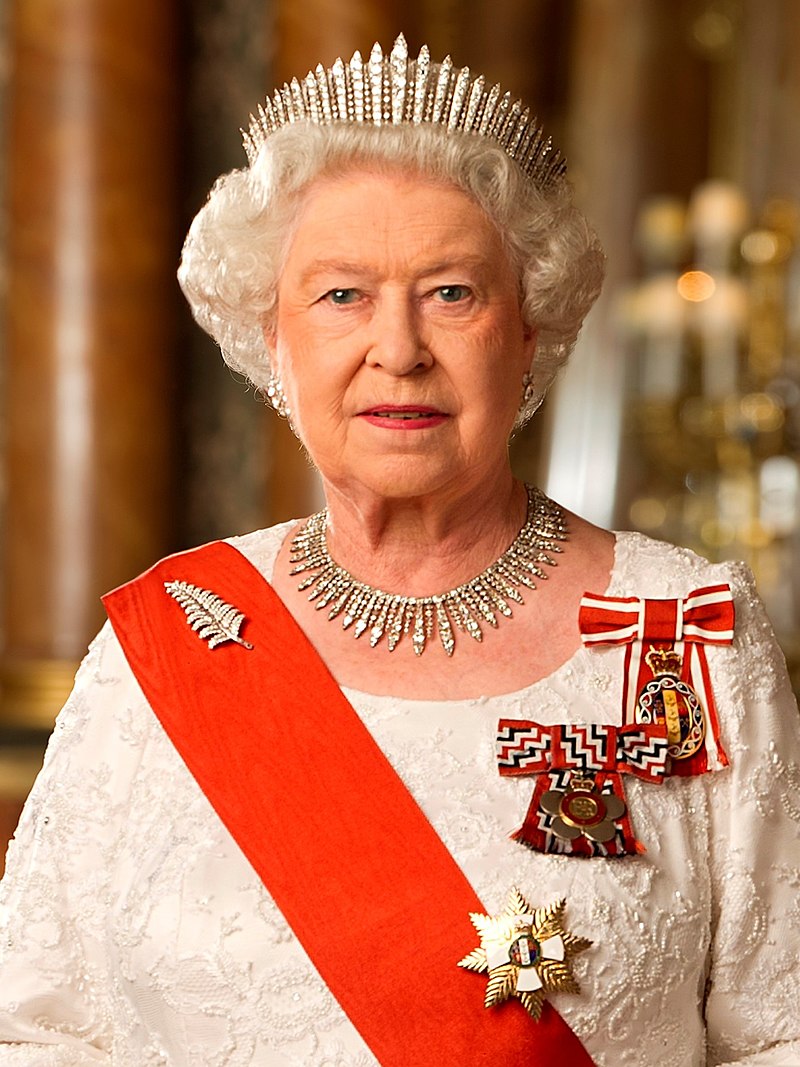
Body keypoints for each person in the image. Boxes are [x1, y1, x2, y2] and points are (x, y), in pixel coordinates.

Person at [1, 34, 799, 1067]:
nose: (398, 348)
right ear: (272, 339)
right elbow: (34, 1028)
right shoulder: (166, 643)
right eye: (341, 295)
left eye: (450, 293)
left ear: (529, 330)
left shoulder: (684, 634)